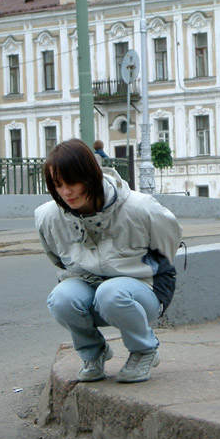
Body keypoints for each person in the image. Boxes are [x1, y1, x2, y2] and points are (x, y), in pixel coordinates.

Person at [34, 139, 182, 383]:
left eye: (72, 182)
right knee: (61, 297)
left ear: (90, 176)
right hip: (90, 286)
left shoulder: (139, 208)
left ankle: (144, 350)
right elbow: (58, 259)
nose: (66, 192)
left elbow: (169, 242)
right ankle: (93, 353)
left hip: (144, 289)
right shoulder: (47, 217)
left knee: (111, 293)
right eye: (58, 185)